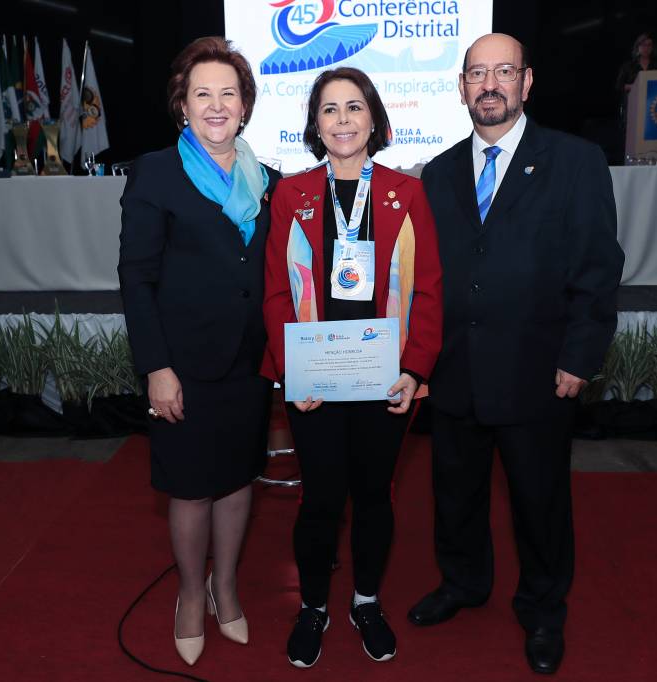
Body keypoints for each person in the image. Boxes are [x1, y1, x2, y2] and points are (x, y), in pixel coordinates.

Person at [407, 34, 625, 675]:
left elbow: (598, 265)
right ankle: (463, 583)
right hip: (455, 370)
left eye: (504, 72)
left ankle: (543, 609)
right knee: (455, 494)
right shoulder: (439, 172)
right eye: (478, 74)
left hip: (538, 369)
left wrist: (581, 355)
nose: (490, 85)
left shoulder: (575, 161)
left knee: (539, 500)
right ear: (461, 88)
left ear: (526, 83)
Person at [263, 66, 442, 668]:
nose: (343, 120)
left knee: (373, 496)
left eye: (354, 107)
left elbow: (429, 290)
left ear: (374, 119)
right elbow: (276, 293)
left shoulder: (406, 193)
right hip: (313, 379)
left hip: (384, 378)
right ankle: (312, 606)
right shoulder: (291, 194)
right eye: (330, 109)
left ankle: (366, 601)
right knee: (319, 499)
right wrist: (293, 372)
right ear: (315, 125)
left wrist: (415, 370)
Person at [117, 36, 280, 667]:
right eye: (202, 94)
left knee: (237, 480)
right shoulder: (156, 172)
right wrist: (156, 367)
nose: (216, 106)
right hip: (181, 364)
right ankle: (190, 593)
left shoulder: (267, 180)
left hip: (248, 363)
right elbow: (136, 276)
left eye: (228, 94)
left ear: (245, 106)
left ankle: (226, 586)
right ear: (182, 106)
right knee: (188, 488)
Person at [615, 33, 657, 131]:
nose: (646, 48)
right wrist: (634, 86)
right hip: (633, 107)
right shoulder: (628, 66)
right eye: (643, 45)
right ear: (637, 47)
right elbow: (619, 86)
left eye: (649, 45)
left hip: (652, 107)